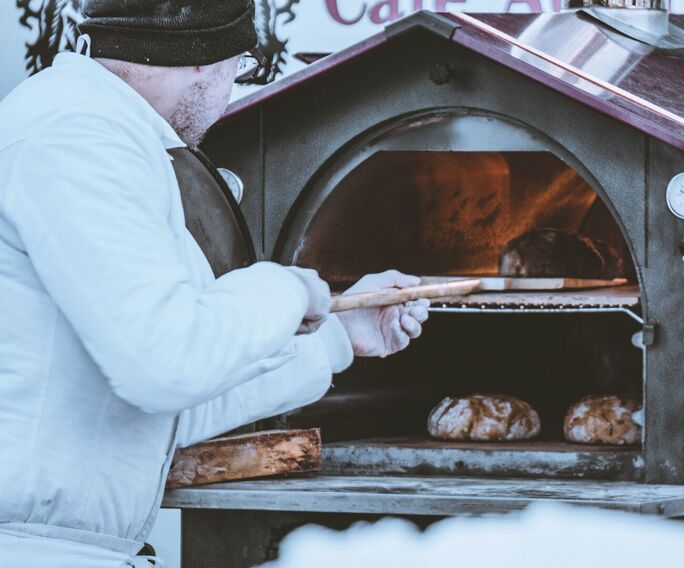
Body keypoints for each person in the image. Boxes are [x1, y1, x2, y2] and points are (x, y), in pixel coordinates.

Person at [0, 1, 429, 565]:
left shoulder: (100, 131)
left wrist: (337, 340)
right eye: (240, 68)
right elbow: (165, 364)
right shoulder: (77, 136)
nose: (231, 93)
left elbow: (169, 405)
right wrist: (286, 288)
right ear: (206, 61)